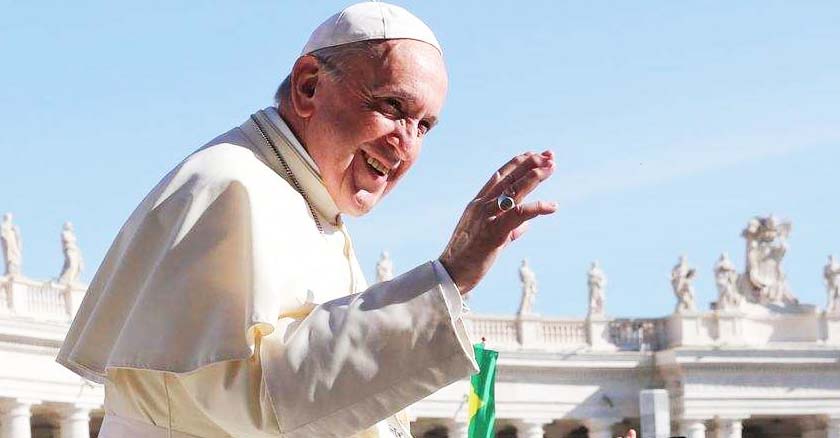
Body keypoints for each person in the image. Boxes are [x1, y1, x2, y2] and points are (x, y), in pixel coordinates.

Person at [58, 3, 557, 437]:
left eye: (424, 126)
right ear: (308, 86)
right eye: (391, 106)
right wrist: (449, 275)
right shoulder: (230, 183)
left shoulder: (304, 203)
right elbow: (261, 402)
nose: (407, 144)